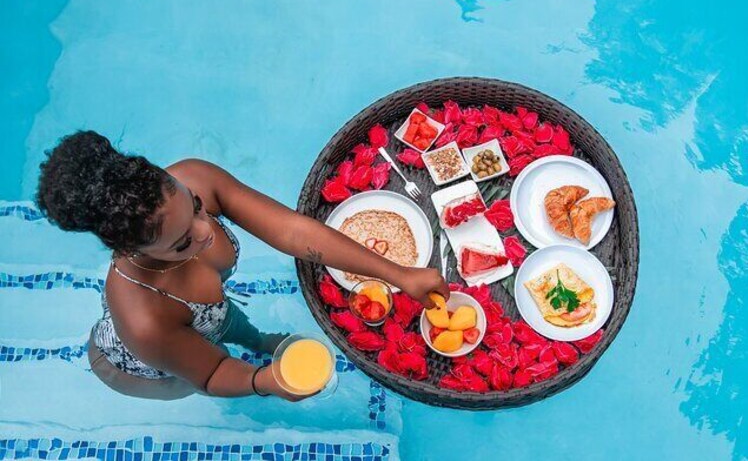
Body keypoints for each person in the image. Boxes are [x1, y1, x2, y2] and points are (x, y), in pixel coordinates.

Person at [36, 131, 449, 401]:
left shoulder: (195, 177)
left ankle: (258, 339)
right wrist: (266, 382)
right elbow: (213, 373)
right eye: (183, 242)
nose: (205, 231)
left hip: (201, 316)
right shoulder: (146, 318)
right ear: (130, 249)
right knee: (194, 372)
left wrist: (399, 274)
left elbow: (290, 231)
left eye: (197, 208)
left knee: (228, 324)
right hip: (144, 365)